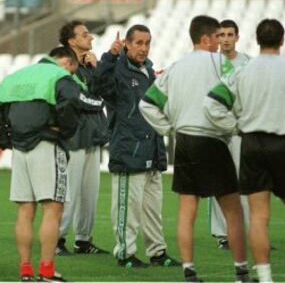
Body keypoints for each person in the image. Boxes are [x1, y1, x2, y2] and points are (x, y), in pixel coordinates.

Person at [203, 19, 285, 283]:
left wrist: (236, 126)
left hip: (252, 144)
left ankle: (265, 278)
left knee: (259, 217)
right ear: (282, 40)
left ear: (256, 39)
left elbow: (212, 105)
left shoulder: (243, 70)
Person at [139, 15, 253, 283]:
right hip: (211, 139)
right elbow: (239, 94)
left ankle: (189, 272)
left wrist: (168, 128)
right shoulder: (221, 64)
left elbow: (146, 104)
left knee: (186, 210)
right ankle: (242, 272)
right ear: (206, 38)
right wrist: (236, 125)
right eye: (216, 37)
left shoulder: (175, 67)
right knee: (233, 209)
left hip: (184, 141)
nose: (219, 43)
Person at [0, 46, 104, 282]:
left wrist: (5, 140)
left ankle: (25, 270)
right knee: (52, 209)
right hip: (47, 145)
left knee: (25, 211)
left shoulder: (15, 76)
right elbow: (72, 101)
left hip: (20, 150)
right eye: (72, 68)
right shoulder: (59, 76)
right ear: (66, 61)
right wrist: (67, 131)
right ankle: (47, 272)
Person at [93, 24, 180, 268]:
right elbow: (97, 86)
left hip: (152, 148)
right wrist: (110, 55)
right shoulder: (116, 70)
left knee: (153, 210)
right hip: (128, 150)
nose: (143, 48)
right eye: (138, 43)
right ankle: (125, 254)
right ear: (127, 44)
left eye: (147, 43)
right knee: (126, 209)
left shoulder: (148, 71)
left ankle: (158, 252)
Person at [56, 20, 109, 255]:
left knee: (90, 193)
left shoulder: (89, 65)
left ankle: (83, 240)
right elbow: (78, 100)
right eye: (85, 35)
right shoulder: (63, 66)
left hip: (93, 135)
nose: (91, 38)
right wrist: (97, 103)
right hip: (73, 137)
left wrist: (97, 68)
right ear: (71, 41)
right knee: (69, 191)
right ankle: (57, 239)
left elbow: (104, 92)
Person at [209, 19, 251, 250]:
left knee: (245, 179)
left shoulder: (248, 63)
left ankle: (244, 229)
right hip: (216, 128)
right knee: (220, 179)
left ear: (237, 37)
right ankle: (222, 233)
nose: (225, 39)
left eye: (229, 34)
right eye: (221, 34)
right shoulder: (210, 62)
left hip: (242, 128)